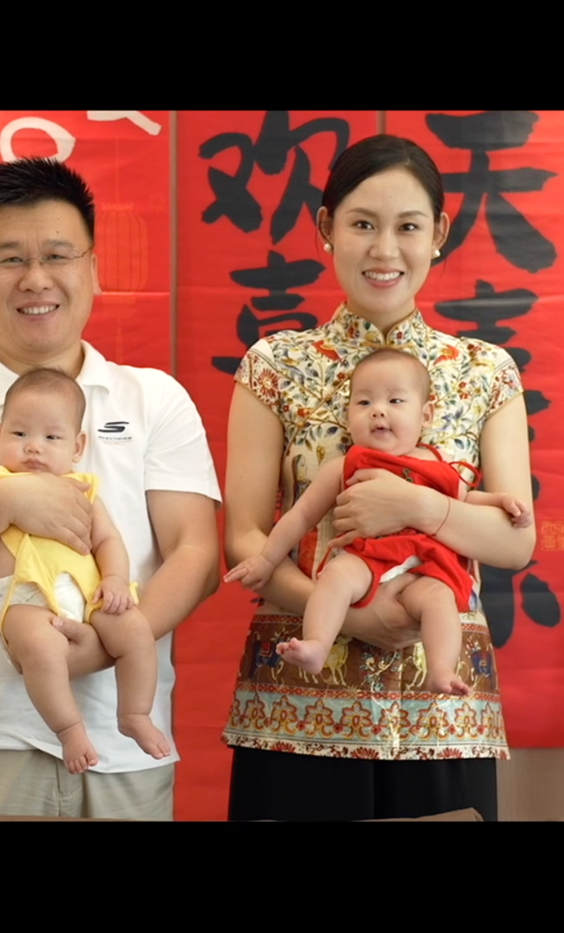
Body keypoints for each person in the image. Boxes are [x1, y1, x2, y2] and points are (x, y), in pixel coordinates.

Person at [0, 157, 221, 820]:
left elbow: (196, 554)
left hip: (125, 748)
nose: (35, 279)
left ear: (93, 269)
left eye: (57, 254)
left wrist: (107, 645)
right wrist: (0, 502)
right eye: (9, 259)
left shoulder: (153, 398)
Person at [220, 134, 536, 822]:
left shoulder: (485, 371)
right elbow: (245, 537)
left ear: (439, 234)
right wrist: (354, 616)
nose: (384, 249)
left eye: (408, 227)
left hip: (440, 713)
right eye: (363, 224)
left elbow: (515, 540)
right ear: (326, 227)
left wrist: (416, 506)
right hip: (296, 708)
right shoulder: (275, 365)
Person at [223, 348, 531, 696]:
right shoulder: (346, 465)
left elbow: (464, 499)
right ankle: (317, 644)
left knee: (439, 598)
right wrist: (266, 560)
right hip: (367, 559)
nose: (378, 411)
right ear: (347, 415)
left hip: (423, 566)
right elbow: (301, 516)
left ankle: (442, 668)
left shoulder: (436, 463)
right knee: (337, 576)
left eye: (395, 401)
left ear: (426, 415)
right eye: (364, 402)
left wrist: (499, 501)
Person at [0, 368, 170, 775]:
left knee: (135, 631)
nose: (34, 447)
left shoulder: (83, 489)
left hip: (88, 592)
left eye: (52, 437)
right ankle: (69, 729)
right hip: (24, 596)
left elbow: (108, 540)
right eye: (20, 434)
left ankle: (134, 713)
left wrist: (115, 579)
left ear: (77, 446)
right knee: (42, 649)